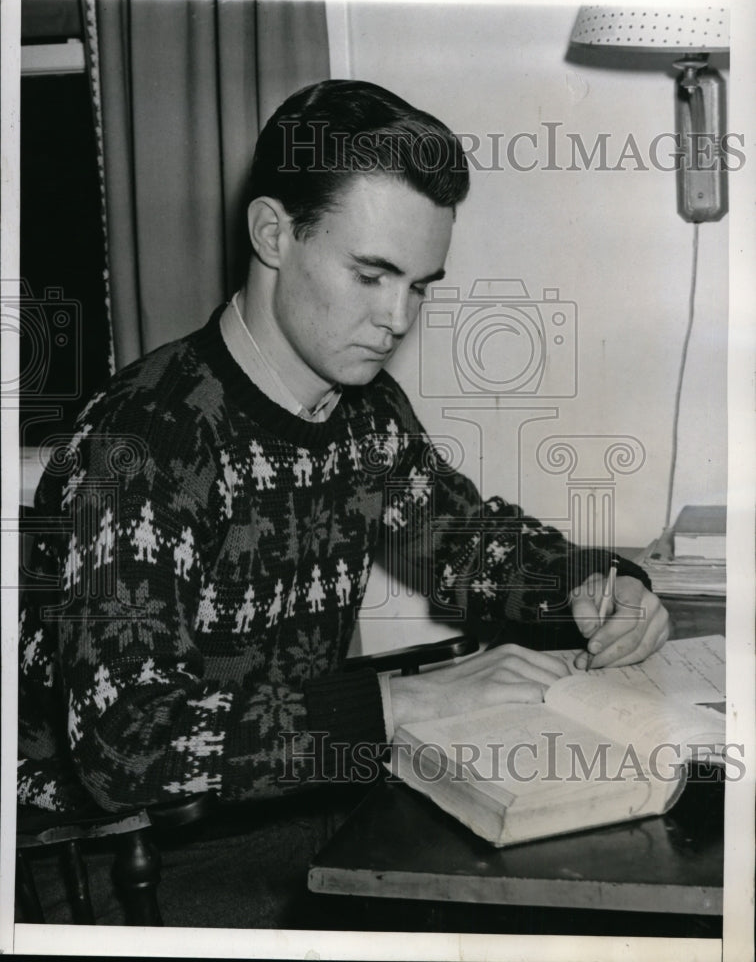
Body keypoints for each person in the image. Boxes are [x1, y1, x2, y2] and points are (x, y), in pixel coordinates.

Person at [17, 79, 669, 925]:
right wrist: (402, 701)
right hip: (129, 864)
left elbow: (468, 545)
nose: (396, 319)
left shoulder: (364, 411)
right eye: (371, 274)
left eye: (421, 285)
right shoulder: (141, 442)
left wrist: (595, 581)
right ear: (273, 234)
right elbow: (129, 747)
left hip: (295, 802)